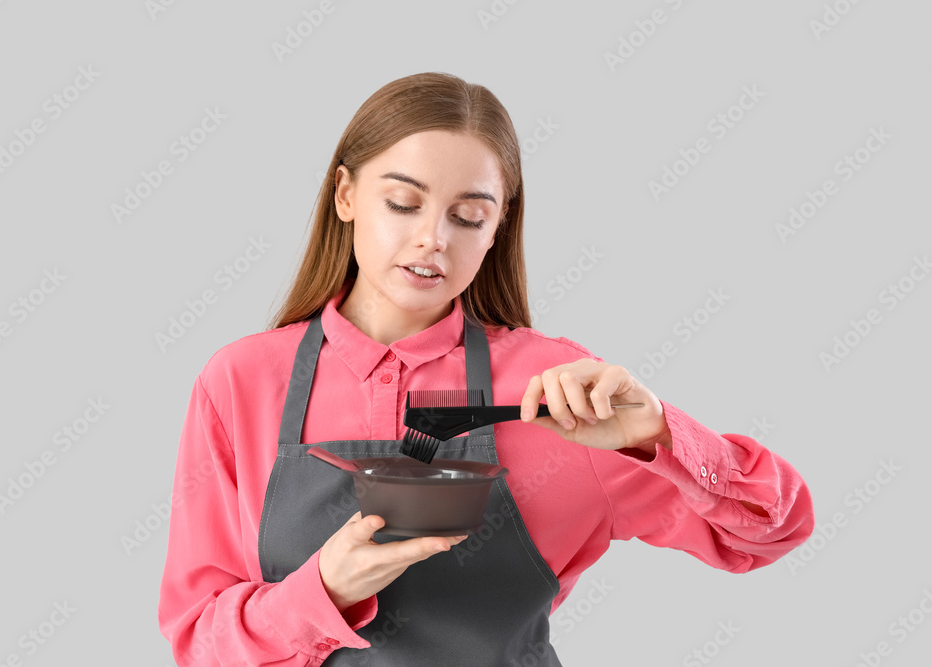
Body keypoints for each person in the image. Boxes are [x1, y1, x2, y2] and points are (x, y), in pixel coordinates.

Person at [157, 72, 815, 666]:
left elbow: (773, 531)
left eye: (468, 216)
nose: (433, 240)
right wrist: (320, 591)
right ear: (346, 194)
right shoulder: (241, 382)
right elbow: (198, 639)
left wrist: (663, 435)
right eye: (403, 204)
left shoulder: (561, 391)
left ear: (497, 227)